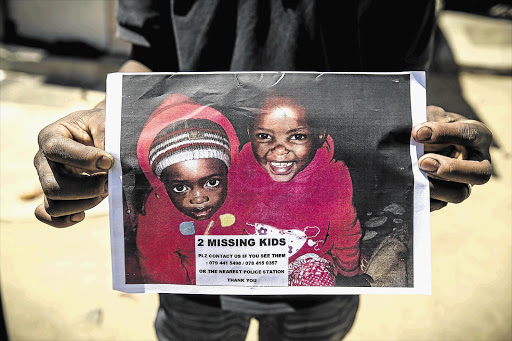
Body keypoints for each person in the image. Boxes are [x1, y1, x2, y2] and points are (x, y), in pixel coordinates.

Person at [33, 1, 493, 340]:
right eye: (265, 139)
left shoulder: (335, 182)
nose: (280, 154)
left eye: (296, 137)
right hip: (193, 284)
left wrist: (423, 137)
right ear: (244, 143)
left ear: (317, 139)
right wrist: (105, 120)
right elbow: (149, 55)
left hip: (322, 291)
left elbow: (394, 79)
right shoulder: (180, 208)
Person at [232, 95, 362, 287]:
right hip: (253, 259)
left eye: (297, 137)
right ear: (250, 133)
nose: (279, 150)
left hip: (307, 261)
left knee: (318, 283)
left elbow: (345, 231)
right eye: (265, 136)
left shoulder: (333, 177)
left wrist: (350, 274)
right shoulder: (238, 167)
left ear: (319, 134)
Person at [135, 93, 240, 284]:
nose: (199, 198)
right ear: (162, 184)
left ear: (228, 174)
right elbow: (157, 265)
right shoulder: (156, 213)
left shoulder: (242, 196)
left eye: (212, 183)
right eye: (181, 187)